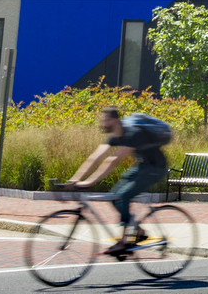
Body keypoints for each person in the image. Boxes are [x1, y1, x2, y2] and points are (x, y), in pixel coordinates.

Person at [66, 107, 170, 254]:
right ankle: (138, 231)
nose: (102, 124)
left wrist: (89, 182)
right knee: (114, 196)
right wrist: (74, 179)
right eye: (102, 120)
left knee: (123, 195)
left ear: (115, 120)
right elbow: (95, 157)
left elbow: (113, 160)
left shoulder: (133, 133)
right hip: (142, 167)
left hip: (156, 169)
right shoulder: (116, 135)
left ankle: (124, 242)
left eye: (105, 120)